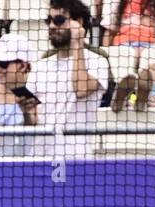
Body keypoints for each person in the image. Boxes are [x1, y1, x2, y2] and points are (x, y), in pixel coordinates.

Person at [26, 0, 109, 159]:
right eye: (48, 21)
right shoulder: (40, 66)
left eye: (58, 20)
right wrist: (26, 112)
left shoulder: (98, 62)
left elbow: (81, 89)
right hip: (39, 158)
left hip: (77, 158)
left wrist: (77, 42)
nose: (51, 26)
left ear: (78, 23)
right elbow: (32, 122)